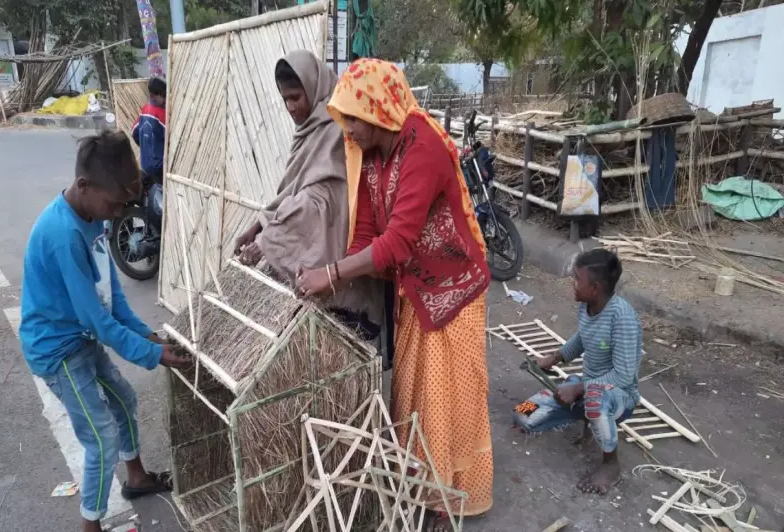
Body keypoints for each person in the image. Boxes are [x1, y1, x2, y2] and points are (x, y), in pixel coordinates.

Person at [296, 58, 494, 528]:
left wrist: (330, 273)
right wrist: (336, 280)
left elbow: (398, 240)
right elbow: (366, 230)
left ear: (378, 111)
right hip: (417, 286)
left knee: (451, 395)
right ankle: (425, 485)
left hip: (455, 285)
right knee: (417, 397)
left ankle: (453, 497)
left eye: (354, 121)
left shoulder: (422, 145)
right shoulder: (371, 152)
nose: (349, 131)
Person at [19, 130, 192, 532]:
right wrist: (152, 355)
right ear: (84, 185)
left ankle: (136, 477)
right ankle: (90, 526)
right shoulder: (63, 235)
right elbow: (97, 320)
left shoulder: (92, 219)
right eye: (113, 204)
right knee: (100, 439)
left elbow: (111, 298)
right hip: (57, 350)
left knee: (124, 399)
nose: (118, 213)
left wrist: (148, 336)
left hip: (80, 336)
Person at [233, 50, 382, 338]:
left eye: (296, 97)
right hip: (323, 262)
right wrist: (258, 225)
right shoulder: (309, 129)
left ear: (313, 87)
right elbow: (293, 188)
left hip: (345, 259)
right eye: (285, 99)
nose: (290, 107)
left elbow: (321, 199)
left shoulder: (337, 126)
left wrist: (269, 240)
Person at [512, 248, 643, 495]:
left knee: (594, 396)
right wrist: (555, 357)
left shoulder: (622, 317)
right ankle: (586, 422)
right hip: (586, 387)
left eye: (576, 279)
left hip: (619, 397)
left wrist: (579, 388)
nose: (572, 284)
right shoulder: (586, 306)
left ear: (594, 287)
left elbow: (624, 375)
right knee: (522, 415)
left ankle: (610, 465)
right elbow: (583, 338)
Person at [131, 77, 166, 185]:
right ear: (155, 95)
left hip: (145, 163)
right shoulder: (162, 115)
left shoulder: (145, 110)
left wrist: (146, 146)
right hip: (159, 166)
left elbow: (134, 132)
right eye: (163, 95)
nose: (165, 99)